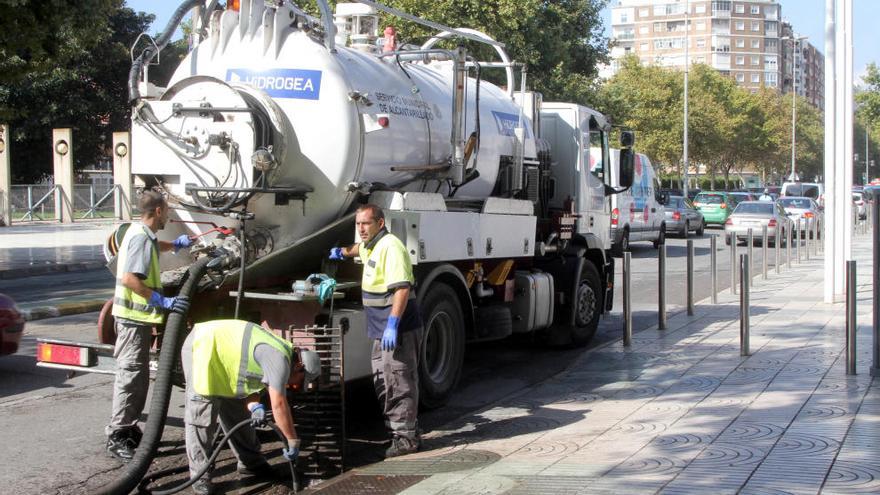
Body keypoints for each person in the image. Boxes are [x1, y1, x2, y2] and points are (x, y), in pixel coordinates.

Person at [181, 319, 321, 495]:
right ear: (299, 367)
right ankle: (200, 478)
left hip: (224, 363)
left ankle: (251, 464)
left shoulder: (283, 352)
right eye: (298, 383)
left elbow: (254, 382)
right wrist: (292, 440)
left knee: (238, 413)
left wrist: (255, 406)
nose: (294, 387)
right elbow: (278, 404)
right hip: (203, 347)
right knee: (201, 416)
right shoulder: (279, 359)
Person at [105, 190, 194, 460]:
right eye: (166, 210)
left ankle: (128, 429)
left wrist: (174, 246)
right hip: (133, 319)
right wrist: (161, 301)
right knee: (130, 377)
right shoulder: (141, 238)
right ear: (157, 211)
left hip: (136, 321)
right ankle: (117, 434)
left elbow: (153, 247)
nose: (168, 214)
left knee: (138, 377)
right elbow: (131, 279)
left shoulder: (140, 232)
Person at [329, 204, 423, 458]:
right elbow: (359, 249)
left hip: (397, 329)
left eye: (366, 224)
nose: (361, 229)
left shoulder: (391, 247)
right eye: (358, 224)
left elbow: (402, 288)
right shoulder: (371, 244)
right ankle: (403, 431)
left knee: (398, 380)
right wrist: (342, 252)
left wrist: (393, 325)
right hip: (381, 329)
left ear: (380, 223)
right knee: (384, 378)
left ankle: (406, 439)